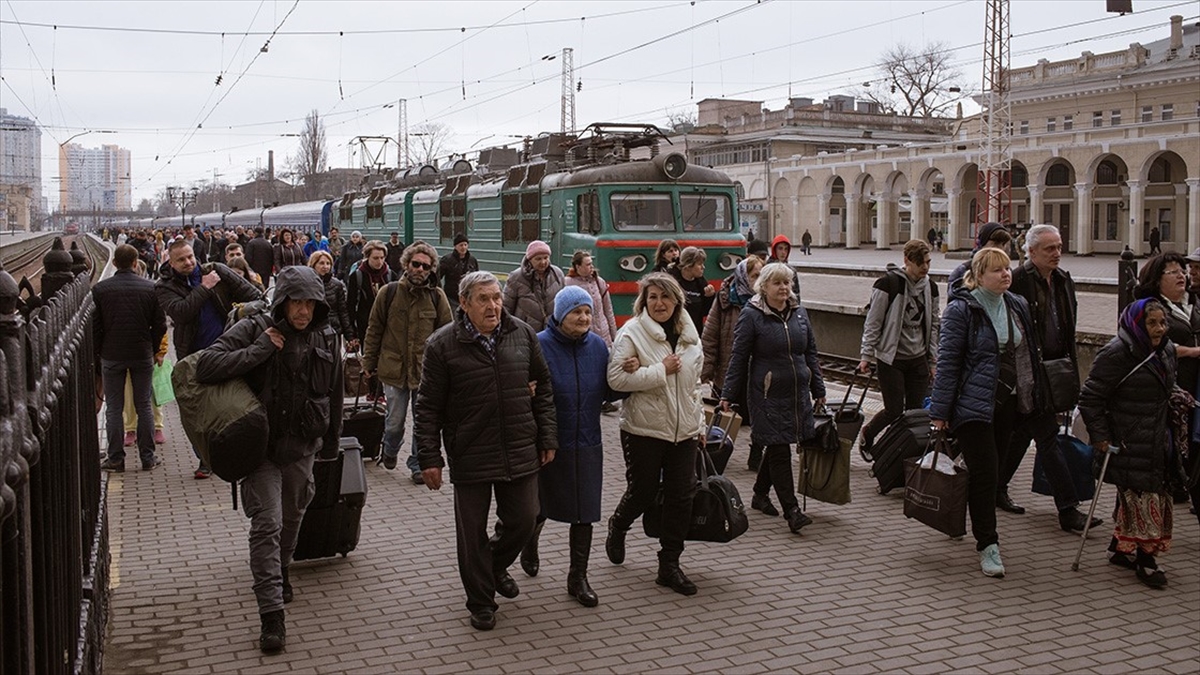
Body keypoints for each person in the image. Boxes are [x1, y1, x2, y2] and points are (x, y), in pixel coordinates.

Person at [194, 265, 343, 652]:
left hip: (302, 446)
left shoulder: (327, 335)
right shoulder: (254, 326)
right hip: (258, 449)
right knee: (268, 524)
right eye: (296, 302)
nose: (303, 312)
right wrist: (260, 349)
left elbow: (335, 392)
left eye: (310, 304)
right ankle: (271, 615)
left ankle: (281, 569)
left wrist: (332, 444)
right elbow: (206, 365)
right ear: (282, 301)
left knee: (292, 518)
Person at [416, 271, 557, 631]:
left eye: (496, 297)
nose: (493, 305)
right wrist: (430, 458)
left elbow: (542, 389)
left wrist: (547, 438)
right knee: (471, 532)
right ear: (463, 303)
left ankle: (492, 568)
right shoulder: (442, 345)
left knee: (526, 518)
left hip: (519, 444)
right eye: (483, 299)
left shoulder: (522, 334)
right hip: (470, 450)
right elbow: (428, 407)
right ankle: (481, 600)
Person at [929, 247, 1040, 578]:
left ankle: (962, 515)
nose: (1006, 274)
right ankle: (988, 545)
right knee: (987, 472)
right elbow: (948, 362)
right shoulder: (962, 310)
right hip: (972, 406)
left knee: (991, 473)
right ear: (978, 277)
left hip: (1008, 404)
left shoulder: (1015, 305)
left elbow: (1028, 355)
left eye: (1007, 268)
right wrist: (940, 411)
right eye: (996, 270)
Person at [604, 273, 704, 596]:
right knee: (643, 491)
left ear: (677, 300)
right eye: (652, 297)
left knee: (681, 496)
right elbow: (616, 380)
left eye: (665, 297)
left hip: (684, 431)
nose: (659, 303)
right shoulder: (631, 333)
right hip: (643, 430)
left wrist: (699, 424)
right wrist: (661, 370)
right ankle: (618, 525)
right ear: (643, 302)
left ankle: (669, 564)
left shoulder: (690, 335)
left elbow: (694, 388)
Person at [1080, 298, 1186, 588]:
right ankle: (1146, 559)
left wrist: (1178, 396)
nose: (1160, 329)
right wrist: (1100, 436)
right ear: (1137, 323)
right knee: (1143, 495)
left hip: (1159, 436)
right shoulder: (1116, 353)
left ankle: (1120, 547)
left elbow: (1167, 383)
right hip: (1129, 438)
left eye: (1163, 322)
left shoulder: (1165, 350)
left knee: (1151, 491)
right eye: (1152, 323)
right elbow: (1091, 398)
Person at [1000, 225, 1100, 531]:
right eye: (1049, 249)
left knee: (1021, 434)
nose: (1057, 253)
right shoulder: (1017, 281)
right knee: (1046, 437)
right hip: (1028, 374)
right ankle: (1068, 509)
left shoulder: (1063, 280)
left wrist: (1070, 373)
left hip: (1056, 370)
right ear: (1030, 252)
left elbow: (1068, 327)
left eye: (1058, 247)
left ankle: (994, 486)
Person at [721, 263, 825, 534]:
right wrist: (728, 395)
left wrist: (819, 389)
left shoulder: (799, 313)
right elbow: (739, 358)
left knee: (778, 443)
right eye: (777, 283)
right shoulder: (751, 315)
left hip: (796, 392)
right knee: (779, 448)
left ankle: (759, 494)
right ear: (763, 287)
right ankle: (792, 510)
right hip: (766, 393)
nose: (784, 288)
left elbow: (810, 352)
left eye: (787, 283)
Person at [536, 286, 618, 608]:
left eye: (587, 312)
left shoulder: (598, 346)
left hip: (587, 442)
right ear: (560, 315)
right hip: (549, 442)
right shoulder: (539, 346)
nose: (584, 317)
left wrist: (631, 375)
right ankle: (530, 544)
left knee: (584, 512)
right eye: (576, 312)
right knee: (538, 506)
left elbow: (610, 393)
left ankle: (578, 577)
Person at [156, 239, 263, 478]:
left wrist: (242, 313)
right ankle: (205, 458)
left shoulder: (216, 270)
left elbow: (253, 293)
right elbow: (181, 313)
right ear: (170, 262)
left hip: (229, 346)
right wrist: (204, 288)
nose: (188, 262)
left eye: (190, 257)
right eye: (181, 259)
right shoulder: (164, 287)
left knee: (240, 401)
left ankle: (246, 454)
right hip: (195, 355)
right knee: (201, 410)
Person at [363, 241, 452, 482]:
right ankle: (390, 449)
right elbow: (374, 329)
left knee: (422, 422)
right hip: (393, 369)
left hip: (425, 371)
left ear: (432, 269)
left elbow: (447, 335)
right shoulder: (388, 292)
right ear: (406, 264)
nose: (420, 270)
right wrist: (368, 364)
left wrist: (450, 369)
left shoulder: (437, 297)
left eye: (426, 266)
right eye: (416, 264)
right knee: (394, 421)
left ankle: (416, 464)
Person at [857, 240, 939, 459]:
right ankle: (869, 432)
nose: (925, 267)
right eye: (920, 262)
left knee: (914, 413)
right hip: (891, 358)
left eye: (928, 262)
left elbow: (934, 326)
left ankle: (901, 456)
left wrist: (933, 361)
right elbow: (873, 322)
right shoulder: (887, 284)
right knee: (894, 411)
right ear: (907, 261)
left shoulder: (930, 288)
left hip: (918, 357)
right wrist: (866, 355)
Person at [1133, 252, 1200, 519]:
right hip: (1166, 388)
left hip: (1194, 389)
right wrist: (1193, 352)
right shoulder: (1149, 307)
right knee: (1166, 449)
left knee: (1192, 448)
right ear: (1157, 278)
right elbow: (1150, 343)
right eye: (1173, 272)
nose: (1182, 275)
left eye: (1182, 270)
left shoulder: (1193, 303)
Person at [95, 244, 168, 473]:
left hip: (112, 354)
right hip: (141, 353)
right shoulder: (151, 288)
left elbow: (96, 327)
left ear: (115, 263)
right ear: (136, 262)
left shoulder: (101, 289)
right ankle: (148, 457)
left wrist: (99, 352)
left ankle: (116, 458)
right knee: (144, 404)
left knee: (114, 407)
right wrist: (154, 348)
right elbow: (160, 325)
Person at [701, 256, 765, 470]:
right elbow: (710, 336)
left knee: (759, 415)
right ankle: (715, 451)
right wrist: (706, 369)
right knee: (723, 413)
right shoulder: (726, 298)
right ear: (743, 276)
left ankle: (756, 453)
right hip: (730, 369)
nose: (757, 281)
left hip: (758, 370)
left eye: (760, 276)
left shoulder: (766, 300)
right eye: (754, 275)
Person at [120, 259, 167, 448]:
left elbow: (160, 324)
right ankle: (130, 429)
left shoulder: (151, 292)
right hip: (126, 350)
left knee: (154, 392)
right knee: (129, 394)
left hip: (148, 350)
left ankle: (157, 427)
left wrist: (161, 351)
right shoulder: (121, 294)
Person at [504, 240, 565, 333]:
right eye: (538, 259)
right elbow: (506, 307)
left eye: (546, 258)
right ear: (529, 260)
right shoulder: (516, 277)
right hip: (525, 332)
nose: (543, 262)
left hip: (552, 331)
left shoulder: (558, 274)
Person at [564, 250, 617, 347]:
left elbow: (608, 311)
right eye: (588, 264)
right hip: (583, 338)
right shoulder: (567, 283)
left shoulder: (599, 282)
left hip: (604, 337)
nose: (592, 267)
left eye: (591, 264)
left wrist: (615, 337)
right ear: (578, 266)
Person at [308, 251, 357, 351]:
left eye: (328, 263)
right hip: (312, 331)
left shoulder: (337, 285)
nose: (325, 266)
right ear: (313, 264)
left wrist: (349, 335)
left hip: (333, 330)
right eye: (321, 263)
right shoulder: (307, 283)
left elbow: (342, 310)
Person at [948, 222, 1011, 287]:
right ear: (983, 243)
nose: (1000, 248)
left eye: (1003, 244)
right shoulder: (963, 271)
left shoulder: (1008, 272)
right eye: (996, 243)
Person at [667, 246, 715, 331]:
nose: (703, 267)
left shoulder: (701, 283)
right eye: (699, 264)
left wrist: (709, 297)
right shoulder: (671, 281)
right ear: (688, 266)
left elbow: (705, 312)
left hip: (695, 331)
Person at [437, 232, 479, 310]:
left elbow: (477, 279)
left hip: (468, 297)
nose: (463, 247)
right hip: (452, 298)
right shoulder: (447, 260)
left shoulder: (472, 260)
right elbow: (437, 277)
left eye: (465, 245)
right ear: (455, 246)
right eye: (461, 245)